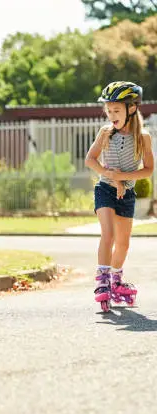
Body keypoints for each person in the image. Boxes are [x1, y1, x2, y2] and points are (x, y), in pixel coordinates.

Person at [85, 81, 154, 310]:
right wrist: (109, 175)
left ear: (131, 108)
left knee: (123, 244)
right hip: (105, 188)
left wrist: (123, 177)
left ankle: (116, 279)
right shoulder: (105, 133)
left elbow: (148, 169)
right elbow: (90, 159)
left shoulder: (143, 137)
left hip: (128, 193)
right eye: (109, 110)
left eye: (116, 110)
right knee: (109, 234)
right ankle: (103, 280)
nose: (111, 114)